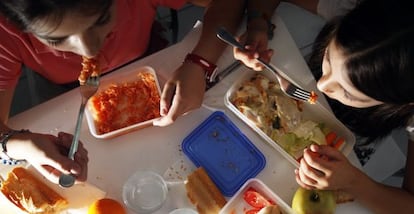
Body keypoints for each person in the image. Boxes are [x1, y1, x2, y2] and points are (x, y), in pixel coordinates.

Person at [0, 0, 245, 184]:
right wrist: (18, 143)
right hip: (58, 90)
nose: (89, 48)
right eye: (57, 39)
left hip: (149, 57)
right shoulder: (4, 29)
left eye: (101, 19)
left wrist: (200, 63)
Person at [236, 0, 414, 212]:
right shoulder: (357, 11)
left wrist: (353, 182)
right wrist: (258, 24)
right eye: (328, 58)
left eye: (347, 92)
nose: (322, 85)